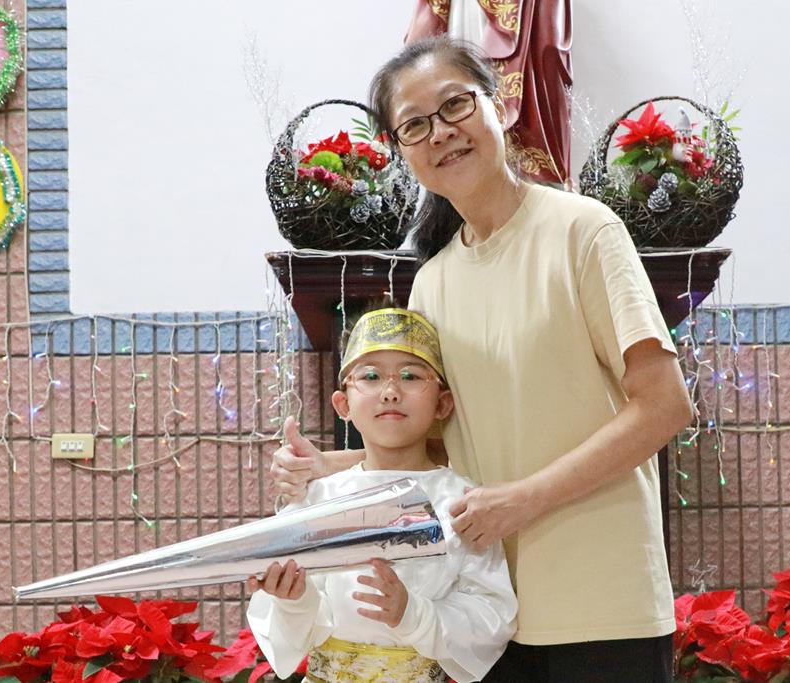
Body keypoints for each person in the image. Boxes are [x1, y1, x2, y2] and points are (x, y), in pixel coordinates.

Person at [271, 37, 694, 682]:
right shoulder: (433, 281)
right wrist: (327, 469)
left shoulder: (583, 231)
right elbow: (446, 444)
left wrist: (524, 499)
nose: (441, 132)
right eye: (415, 125)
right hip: (479, 615)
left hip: (601, 602)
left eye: (455, 106)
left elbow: (664, 406)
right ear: (400, 150)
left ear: (498, 104)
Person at [247, 307, 517, 683]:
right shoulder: (320, 497)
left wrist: (413, 614)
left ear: (442, 403)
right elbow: (292, 617)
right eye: (371, 376)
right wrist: (293, 600)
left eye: (410, 376)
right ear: (343, 404)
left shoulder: (462, 501)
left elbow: (491, 612)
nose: (390, 392)